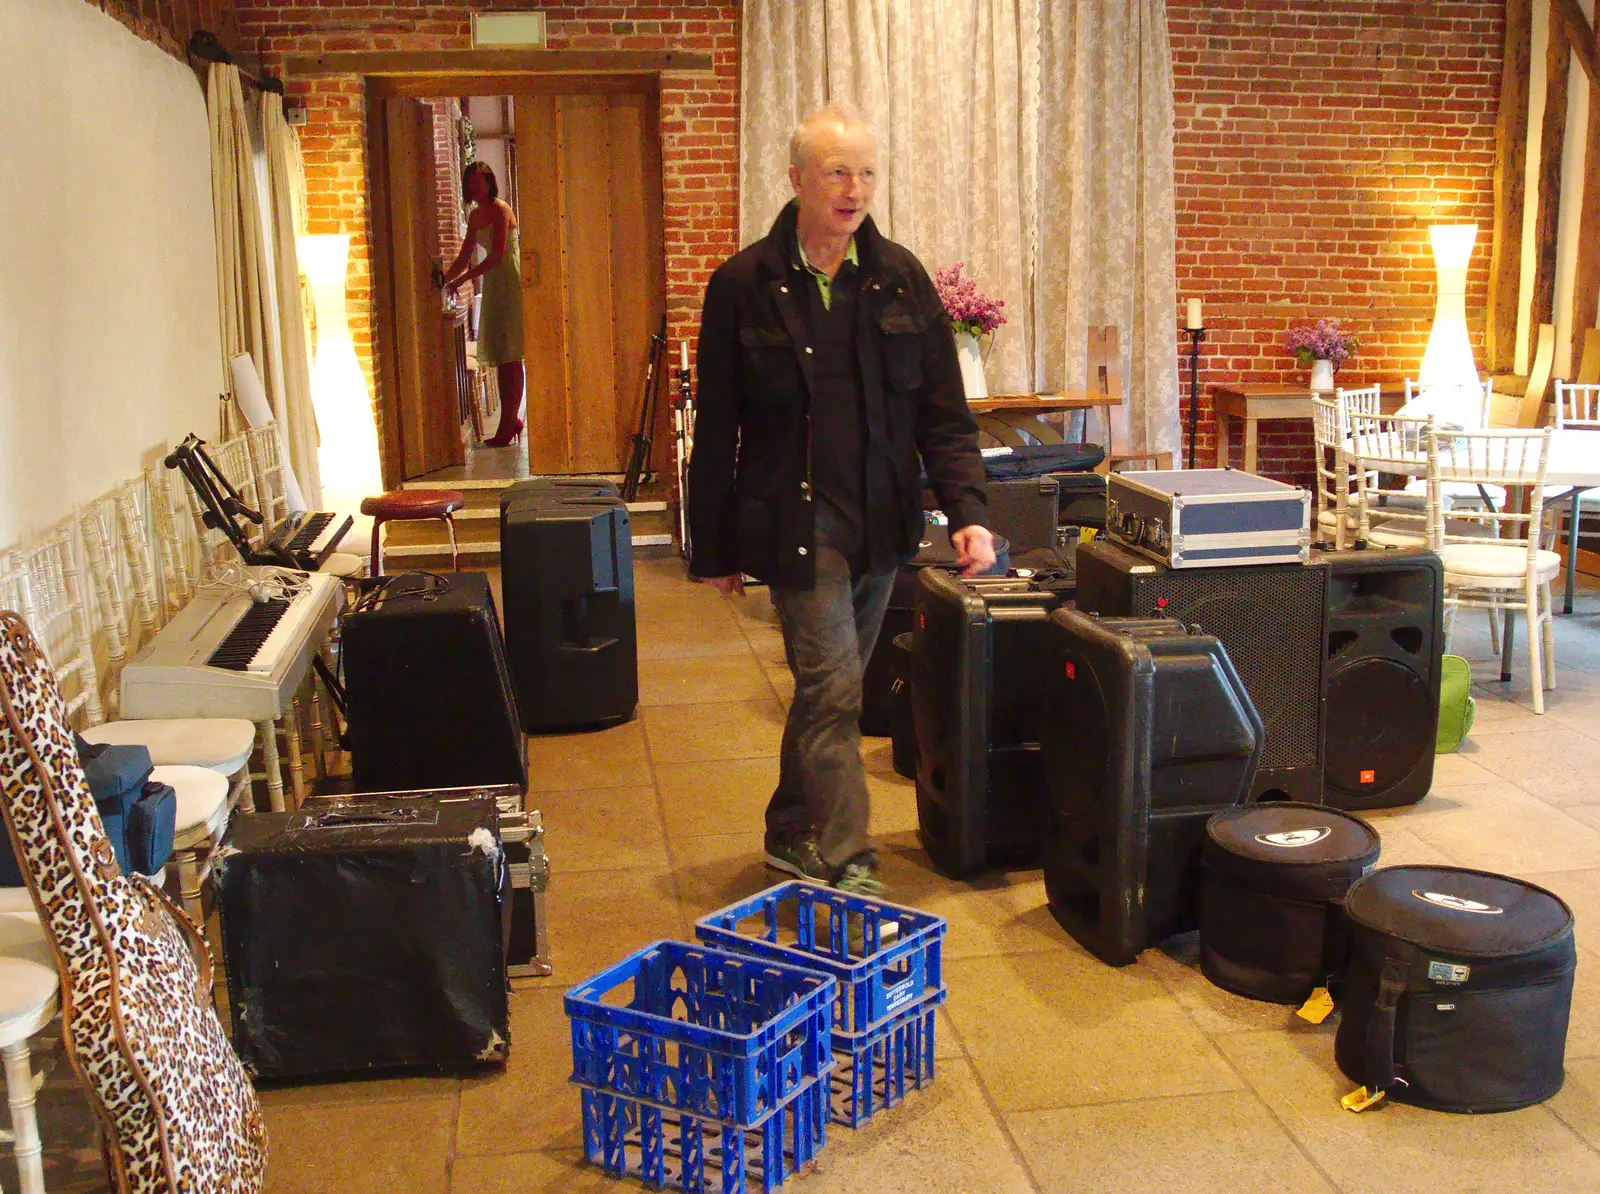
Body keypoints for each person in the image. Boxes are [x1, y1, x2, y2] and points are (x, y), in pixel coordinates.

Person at [689, 103, 996, 895]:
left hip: (882, 523)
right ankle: (850, 855)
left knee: (831, 688)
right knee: (834, 690)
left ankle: (790, 830)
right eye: (836, 171)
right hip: (795, 522)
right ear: (796, 181)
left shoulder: (900, 278)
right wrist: (714, 545)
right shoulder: (742, 285)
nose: (854, 188)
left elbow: (942, 412)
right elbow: (716, 424)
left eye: (865, 171)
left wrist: (968, 512)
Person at [444, 161, 526, 446]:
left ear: (490, 183)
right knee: (501, 355)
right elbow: (465, 254)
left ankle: (509, 422)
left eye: (479, 181)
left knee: (511, 355)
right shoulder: (476, 215)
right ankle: (509, 420)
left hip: (510, 281)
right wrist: (445, 279)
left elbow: (497, 255)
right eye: (470, 182)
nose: (473, 187)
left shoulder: (501, 209)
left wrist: (464, 278)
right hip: (493, 285)